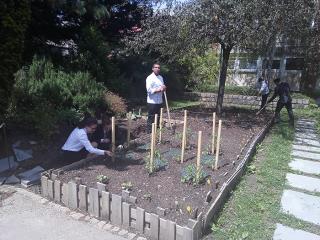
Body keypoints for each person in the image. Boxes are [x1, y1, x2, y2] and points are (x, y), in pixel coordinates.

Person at [146, 63, 166, 133]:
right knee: (151, 118)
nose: (157, 69)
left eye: (159, 68)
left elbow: (162, 86)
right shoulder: (149, 78)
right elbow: (149, 90)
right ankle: (149, 132)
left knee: (158, 118)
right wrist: (159, 90)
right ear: (152, 68)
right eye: (156, 67)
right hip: (152, 102)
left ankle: (156, 132)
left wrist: (164, 88)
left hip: (159, 101)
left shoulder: (161, 77)